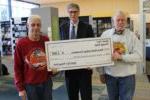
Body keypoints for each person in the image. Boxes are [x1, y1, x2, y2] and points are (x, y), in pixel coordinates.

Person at [97, 11, 142, 100]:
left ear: (126, 22)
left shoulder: (132, 36)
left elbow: (139, 56)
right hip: (110, 76)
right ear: (113, 22)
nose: (120, 22)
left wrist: (121, 57)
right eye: (118, 20)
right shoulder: (105, 35)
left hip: (127, 77)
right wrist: (101, 73)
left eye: (123, 20)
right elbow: (100, 56)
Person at [14, 15, 56, 100]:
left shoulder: (46, 40)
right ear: (27, 25)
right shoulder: (21, 44)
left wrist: (53, 70)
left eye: (38, 25)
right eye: (33, 25)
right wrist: (20, 88)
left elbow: (50, 61)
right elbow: (17, 67)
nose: (36, 27)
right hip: (30, 85)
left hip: (46, 82)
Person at [60, 3, 94, 100]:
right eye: (71, 12)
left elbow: (92, 47)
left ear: (79, 12)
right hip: (69, 69)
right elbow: (61, 46)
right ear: (68, 13)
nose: (73, 14)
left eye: (75, 12)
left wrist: (91, 62)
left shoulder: (87, 27)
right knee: (72, 96)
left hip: (84, 69)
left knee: (86, 96)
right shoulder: (63, 27)